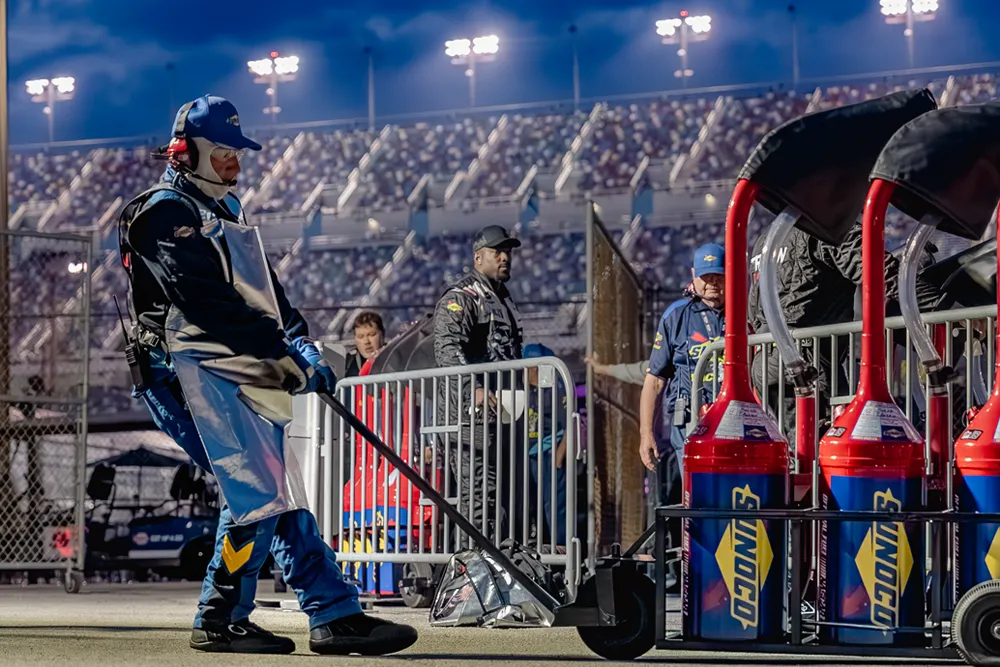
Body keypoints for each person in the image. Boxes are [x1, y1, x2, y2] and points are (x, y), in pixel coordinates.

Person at [119, 95, 417, 656]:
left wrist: (301, 344)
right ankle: (238, 616)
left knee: (271, 488)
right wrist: (286, 354)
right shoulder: (160, 212)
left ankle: (325, 612)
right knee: (257, 487)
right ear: (189, 151)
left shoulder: (225, 210)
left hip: (234, 369)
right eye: (223, 151)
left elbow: (269, 299)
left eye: (237, 151)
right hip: (182, 377)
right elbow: (204, 302)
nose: (235, 162)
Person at [747, 220, 953, 439]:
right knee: (833, 443)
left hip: (767, 360)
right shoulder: (826, 224)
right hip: (808, 359)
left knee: (800, 447)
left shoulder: (768, 237)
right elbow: (878, 272)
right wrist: (946, 309)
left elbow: (754, 308)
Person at [433, 225, 524, 543]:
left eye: (507, 251)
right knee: (478, 496)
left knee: (504, 497)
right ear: (477, 257)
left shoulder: (504, 300)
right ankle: (472, 566)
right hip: (468, 418)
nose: (505, 257)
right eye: (497, 251)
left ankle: (499, 562)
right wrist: (474, 388)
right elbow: (447, 348)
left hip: (502, 415)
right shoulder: (462, 297)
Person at [639, 244, 725, 481]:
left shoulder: (744, 311)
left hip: (735, 418)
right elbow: (655, 380)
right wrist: (646, 434)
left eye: (718, 275)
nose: (712, 283)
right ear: (693, 275)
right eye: (705, 276)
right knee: (696, 491)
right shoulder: (676, 315)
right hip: (690, 421)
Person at [523, 343, 570, 548]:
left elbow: (570, 423)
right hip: (527, 454)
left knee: (554, 505)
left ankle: (559, 549)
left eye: (528, 367)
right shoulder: (523, 390)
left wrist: (559, 455)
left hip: (548, 452)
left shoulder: (556, 389)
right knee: (532, 506)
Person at [345, 310, 386, 377]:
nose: (366, 341)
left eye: (372, 335)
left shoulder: (394, 358)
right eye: (360, 336)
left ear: (382, 335)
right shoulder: (347, 364)